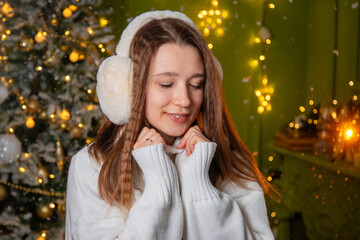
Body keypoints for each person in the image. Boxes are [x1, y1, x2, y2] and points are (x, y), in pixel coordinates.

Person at [65, 10, 275, 240]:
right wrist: (159, 187)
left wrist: (199, 186)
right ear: (129, 87)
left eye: (196, 84)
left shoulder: (231, 162)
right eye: (166, 84)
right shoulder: (92, 166)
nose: (184, 100)